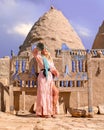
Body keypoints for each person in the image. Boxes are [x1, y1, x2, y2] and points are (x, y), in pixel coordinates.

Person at [32, 42, 59, 117]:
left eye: (47, 49)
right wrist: (39, 47)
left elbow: (52, 68)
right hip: (43, 76)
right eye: (44, 49)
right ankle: (45, 112)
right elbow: (34, 52)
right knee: (44, 94)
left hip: (50, 77)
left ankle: (52, 111)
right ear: (42, 50)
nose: (45, 50)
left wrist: (55, 71)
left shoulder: (50, 60)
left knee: (55, 92)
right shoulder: (40, 57)